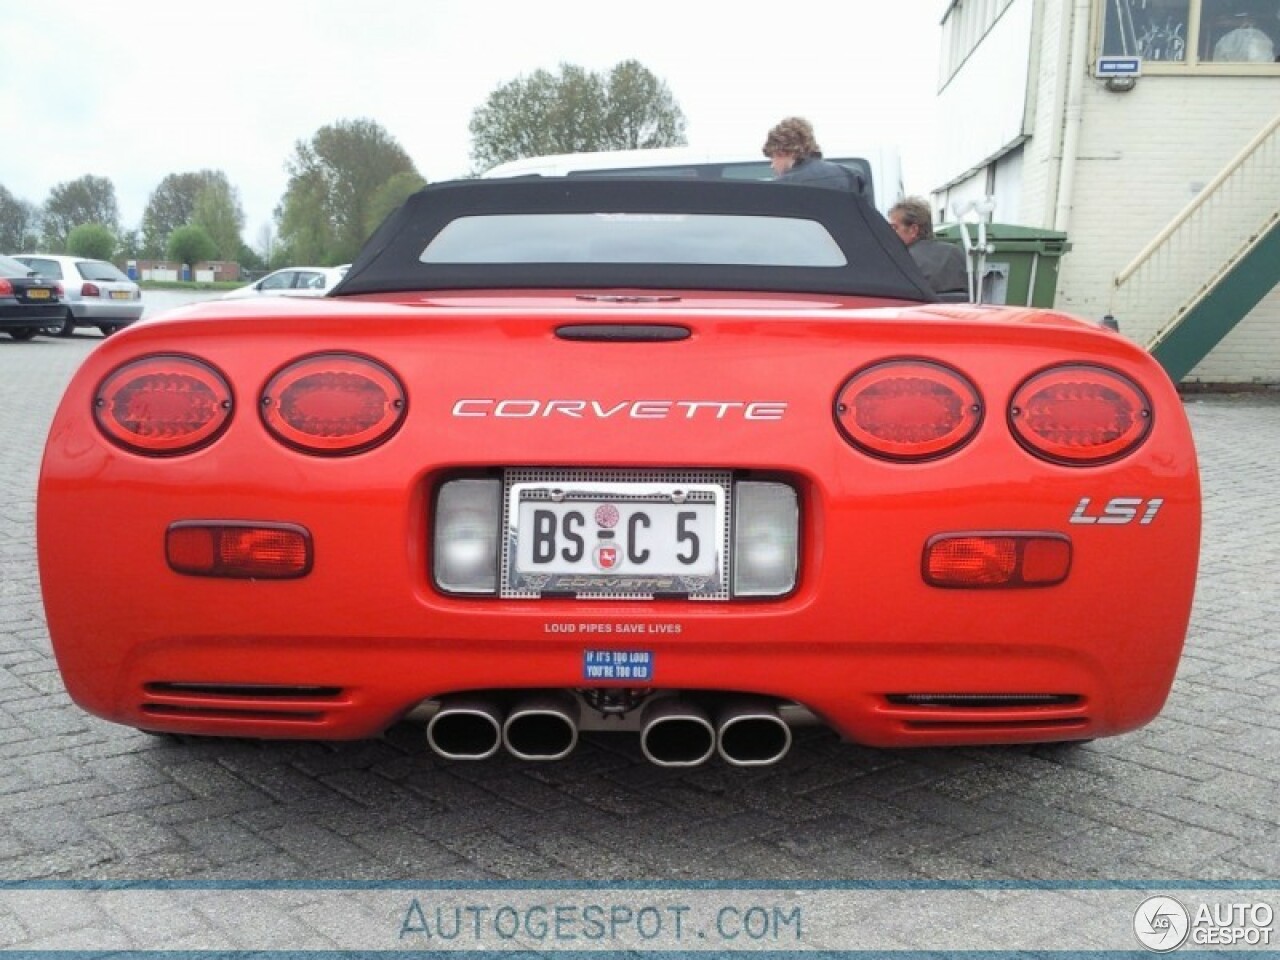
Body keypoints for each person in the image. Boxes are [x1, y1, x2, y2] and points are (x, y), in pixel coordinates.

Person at [888, 197, 970, 299]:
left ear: (913, 230)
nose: (889, 233)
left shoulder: (901, 260)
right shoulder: (956, 253)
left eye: (894, 228)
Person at [762, 117, 865, 193]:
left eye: (773, 158)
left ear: (784, 152)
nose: (772, 166)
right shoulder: (852, 176)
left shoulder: (781, 187)